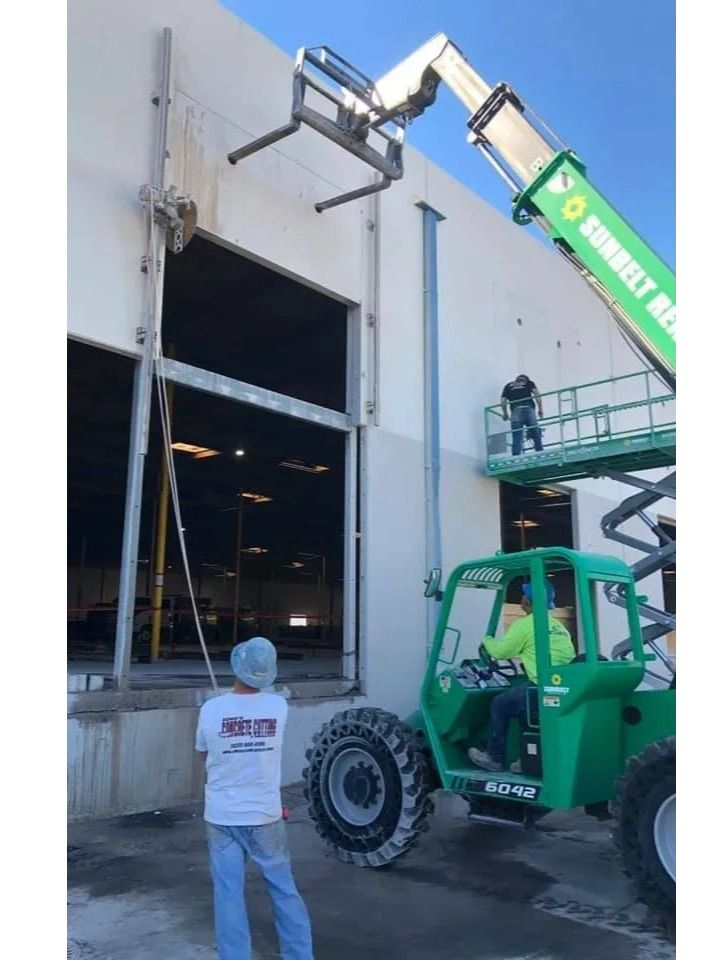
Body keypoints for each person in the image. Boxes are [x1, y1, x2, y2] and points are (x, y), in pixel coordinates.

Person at [196, 636, 314, 960]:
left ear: (236, 666)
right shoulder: (278, 706)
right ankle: (300, 955)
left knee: (228, 894)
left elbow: (203, 756)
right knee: (283, 889)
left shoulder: (210, 710)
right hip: (265, 816)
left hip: (221, 817)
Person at [468, 581, 575, 773]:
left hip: (538, 688)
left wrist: (487, 640)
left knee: (499, 704)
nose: (521, 598)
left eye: (524, 595)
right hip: (560, 687)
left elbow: (501, 652)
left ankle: (495, 758)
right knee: (521, 704)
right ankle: (525, 759)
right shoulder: (557, 625)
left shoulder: (525, 624)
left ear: (529, 601)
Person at [501, 374, 544, 455]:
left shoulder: (508, 386)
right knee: (535, 432)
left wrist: (505, 413)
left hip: (516, 411)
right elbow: (536, 394)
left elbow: (503, 400)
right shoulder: (529, 383)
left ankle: (516, 456)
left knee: (517, 435)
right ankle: (540, 453)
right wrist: (540, 410)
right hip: (529, 409)